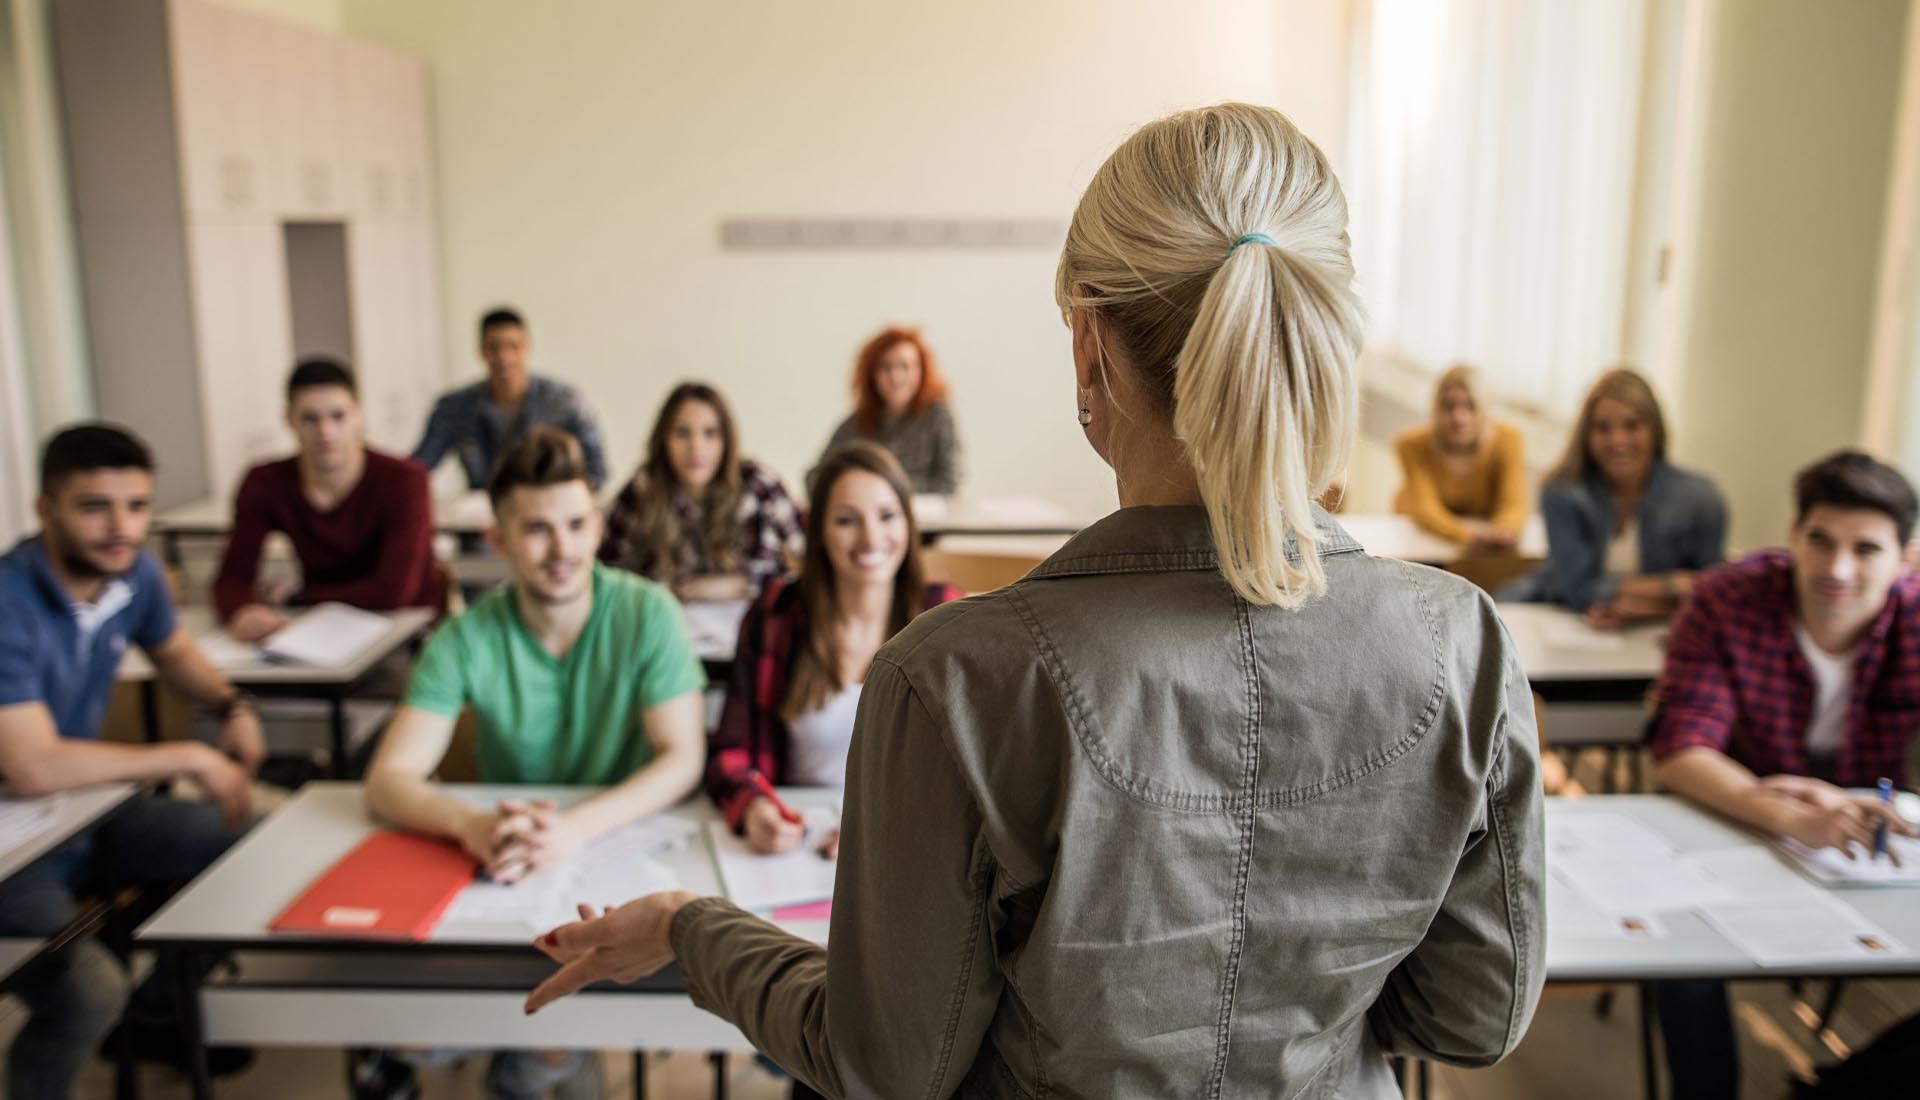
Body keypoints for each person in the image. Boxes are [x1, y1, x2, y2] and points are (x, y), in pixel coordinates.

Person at [523, 103, 1546, 1099]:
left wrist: (689, 927)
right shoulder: (1464, 644)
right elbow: (1471, 1019)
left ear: (1088, 345)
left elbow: (886, 1066)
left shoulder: (954, 675)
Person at [359, 426, 705, 1100]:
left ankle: (525, 1066)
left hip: (618, 847)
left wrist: (574, 828)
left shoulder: (647, 612)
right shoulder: (466, 635)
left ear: (599, 526)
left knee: (551, 1030)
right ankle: (522, 1059)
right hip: (510, 858)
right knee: (414, 1019)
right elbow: (389, 778)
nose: (562, 549)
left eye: (576, 524)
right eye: (537, 530)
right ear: (500, 540)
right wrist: (468, 824)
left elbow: (682, 757)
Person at [1647, 450, 1920, 1100]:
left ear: (1904, 560)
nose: (1837, 569)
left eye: (1866, 549)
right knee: (1678, 959)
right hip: (1732, 823)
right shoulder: (1727, 599)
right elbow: (1682, 749)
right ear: (1794, 534)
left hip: (1862, 849)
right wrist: (1793, 814)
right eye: (1820, 540)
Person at [0, 424, 262, 1097]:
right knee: (87, 986)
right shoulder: (8, 601)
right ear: (45, 510)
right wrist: (185, 756)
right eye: (94, 507)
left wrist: (232, 705)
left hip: (87, 816)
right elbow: (30, 766)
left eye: (137, 506)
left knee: (249, 839)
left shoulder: (131, 570)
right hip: (12, 854)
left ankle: (154, 1015)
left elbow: (173, 652)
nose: (121, 527)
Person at [707, 441, 963, 854]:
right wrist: (753, 808)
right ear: (819, 532)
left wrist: (889, 825)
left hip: (910, 849)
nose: (870, 538)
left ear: (908, 524)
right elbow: (730, 751)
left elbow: (973, 771)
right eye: (847, 520)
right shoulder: (775, 615)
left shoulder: (947, 615)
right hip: (796, 845)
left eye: (886, 516)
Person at [212, 358, 440, 641]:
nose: (325, 432)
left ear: (358, 415)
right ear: (289, 420)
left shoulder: (405, 479)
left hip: (403, 628)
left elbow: (393, 591)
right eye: (310, 418)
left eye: (338, 416)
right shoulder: (265, 482)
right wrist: (242, 611)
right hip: (317, 630)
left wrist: (297, 597)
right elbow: (232, 577)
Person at [1508, 367, 1727, 628]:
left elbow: (1712, 595)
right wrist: (1672, 585)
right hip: (1555, 613)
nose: (1618, 440)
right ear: (1587, 435)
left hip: (1656, 632)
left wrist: (1643, 610)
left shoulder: (1701, 499)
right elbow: (1579, 589)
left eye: (1632, 425)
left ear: (1655, 429)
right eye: (1602, 427)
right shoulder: (1561, 491)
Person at [598, 382, 803, 602]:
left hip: (750, 621)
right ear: (664, 439)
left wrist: (727, 586)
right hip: (668, 621)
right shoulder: (642, 490)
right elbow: (610, 572)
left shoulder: (760, 487)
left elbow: (800, 563)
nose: (696, 446)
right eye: (682, 433)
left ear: (727, 440)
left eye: (710, 433)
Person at [411, 307, 608, 490]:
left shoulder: (563, 401)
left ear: (527, 348)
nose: (504, 358)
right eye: (494, 347)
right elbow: (418, 468)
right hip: (480, 519)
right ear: (481, 350)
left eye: (513, 346)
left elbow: (597, 471)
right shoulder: (454, 407)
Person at [1395, 364, 1530, 549]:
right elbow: (1425, 510)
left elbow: (1514, 504)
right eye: (1449, 407)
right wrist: (1468, 536)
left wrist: (1503, 531)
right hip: (1427, 544)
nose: (1459, 417)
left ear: (1484, 410)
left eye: (1470, 406)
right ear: (1436, 410)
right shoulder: (1411, 446)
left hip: (1481, 549)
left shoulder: (1508, 440)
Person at [814, 326, 961, 495]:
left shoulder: (938, 416)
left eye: (905, 367)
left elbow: (951, 481)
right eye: (885, 367)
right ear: (872, 374)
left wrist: (880, 486)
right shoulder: (856, 424)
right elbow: (816, 478)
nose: (895, 377)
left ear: (921, 371)